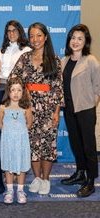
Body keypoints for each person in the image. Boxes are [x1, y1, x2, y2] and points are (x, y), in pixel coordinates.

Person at [9, 22, 63, 195]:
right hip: (29, 110)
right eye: (31, 36)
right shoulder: (24, 58)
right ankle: (37, 178)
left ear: (45, 37)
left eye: (39, 35)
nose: (35, 39)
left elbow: (58, 88)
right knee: (32, 146)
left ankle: (46, 179)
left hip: (48, 110)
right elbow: (13, 79)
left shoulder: (54, 60)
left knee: (47, 146)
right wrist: (24, 94)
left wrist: (56, 112)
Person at [60, 24, 100, 197]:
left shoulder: (91, 61)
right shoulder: (64, 61)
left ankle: (90, 181)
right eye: (73, 38)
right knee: (76, 145)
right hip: (69, 110)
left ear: (86, 42)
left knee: (88, 146)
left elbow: (98, 87)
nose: (75, 42)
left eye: (80, 38)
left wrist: (91, 105)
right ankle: (80, 173)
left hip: (85, 110)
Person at [0, 77, 32, 204]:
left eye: (19, 90)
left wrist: (19, 133)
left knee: (21, 166)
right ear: (8, 91)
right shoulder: (3, 107)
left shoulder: (26, 108)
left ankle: (20, 190)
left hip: (21, 141)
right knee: (9, 165)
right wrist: (8, 133)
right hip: (8, 141)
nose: (16, 93)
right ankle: (10, 190)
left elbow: (29, 123)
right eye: (13, 90)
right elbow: (0, 123)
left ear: (23, 92)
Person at [0, 20, 31, 85]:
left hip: (18, 85)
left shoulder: (26, 50)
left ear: (19, 32)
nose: (11, 33)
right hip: (1, 84)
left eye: (14, 30)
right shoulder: (3, 50)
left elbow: (28, 73)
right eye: (9, 31)